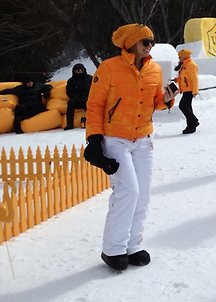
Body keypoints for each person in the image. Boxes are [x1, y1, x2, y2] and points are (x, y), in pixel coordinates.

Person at [84, 23, 174, 271]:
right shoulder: (109, 68)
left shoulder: (154, 69)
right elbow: (94, 106)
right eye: (146, 42)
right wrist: (94, 139)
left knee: (143, 195)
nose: (150, 47)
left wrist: (165, 99)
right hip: (116, 138)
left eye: (152, 42)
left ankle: (133, 245)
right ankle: (113, 249)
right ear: (131, 44)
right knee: (128, 191)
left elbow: (154, 102)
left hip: (143, 140)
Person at [174, 49, 200, 134]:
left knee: (182, 106)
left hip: (190, 90)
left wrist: (195, 91)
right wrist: (177, 79)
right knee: (188, 107)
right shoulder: (184, 65)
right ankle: (191, 126)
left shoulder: (191, 65)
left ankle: (194, 121)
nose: (179, 59)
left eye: (180, 57)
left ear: (184, 56)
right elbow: (185, 77)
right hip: (186, 89)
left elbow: (194, 79)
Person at [64, 63, 93, 130]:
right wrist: (76, 97)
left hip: (89, 100)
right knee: (70, 102)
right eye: (78, 71)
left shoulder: (90, 78)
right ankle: (70, 124)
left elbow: (95, 89)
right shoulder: (71, 81)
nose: (80, 72)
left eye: (81, 70)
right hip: (77, 101)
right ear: (74, 71)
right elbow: (69, 92)